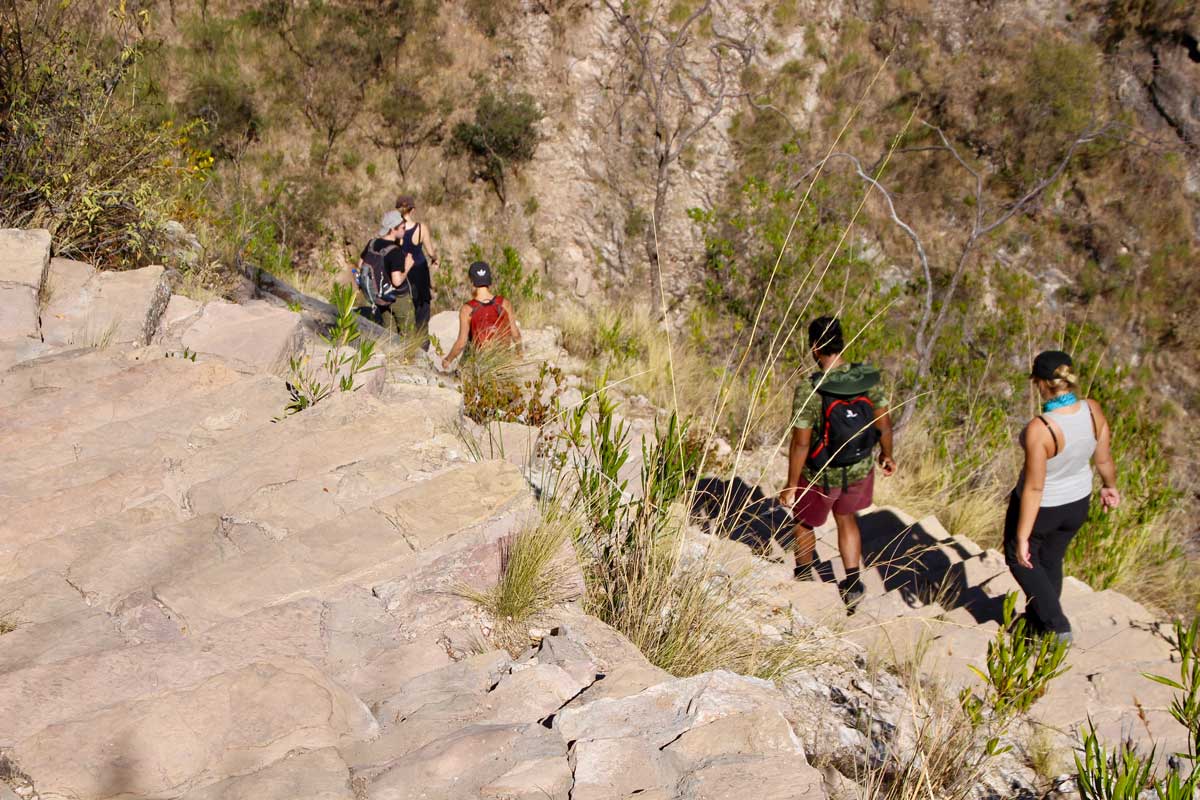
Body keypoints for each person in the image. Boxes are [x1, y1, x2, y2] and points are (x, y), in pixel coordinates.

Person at [778, 316, 896, 607]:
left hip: (821, 473)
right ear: (841, 342)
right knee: (847, 519)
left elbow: (801, 441)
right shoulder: (866, 376)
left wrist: (792, 485)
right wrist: (887, 454)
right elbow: (884, 422)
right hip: (859, 468)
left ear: (815, 347)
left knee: (805, 522)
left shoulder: (811, 388)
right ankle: (853, 582)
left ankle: (804, 579)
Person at [1004, 350, 1119, 645]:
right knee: (1051, 560)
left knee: (1022, 560)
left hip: (1044, 507)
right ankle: (1035, 625)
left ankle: (1056, 625)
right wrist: (1110, 486)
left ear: (1040, 383)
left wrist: (1023, 535)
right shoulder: (1092, 409)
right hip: (1078, 502)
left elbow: (1034, 488)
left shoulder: (1040, 429)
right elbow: (1103, 459)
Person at [441, 261, 521, 370]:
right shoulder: (504, 303)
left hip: (482, 364)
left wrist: (448, 360)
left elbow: (461, 343)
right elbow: (515, 334)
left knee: (469, 338)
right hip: (503, 363)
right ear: (489, 280)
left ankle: (461, 371)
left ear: (472, 282)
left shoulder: (467, 309)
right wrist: (519, 354)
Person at [395, 195, 439, 349]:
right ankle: (422, 346)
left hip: (402, 273)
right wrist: (435, 258)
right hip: (419, 272)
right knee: (422, 310)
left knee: (406, 308)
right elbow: (429, 250)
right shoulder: (421, 228)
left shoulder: (395, 229)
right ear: (412, 209)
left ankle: (403, 343)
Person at [355, 210, 409, 333]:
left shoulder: (372, 243)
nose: (405, 230)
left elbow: (360, 265)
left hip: (379, 297)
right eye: (402, 228)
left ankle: (390, 352)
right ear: (393, 229)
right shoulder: (395, 251)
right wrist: (408, 266)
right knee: (407, 333)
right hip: (397, 298)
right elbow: (396, 281)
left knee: (388, 332)